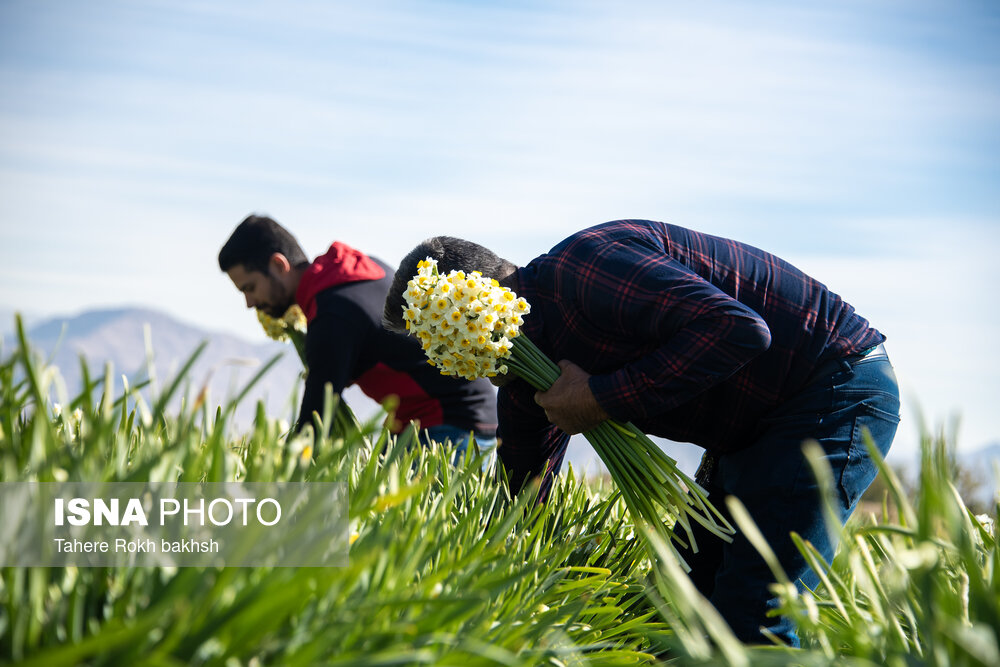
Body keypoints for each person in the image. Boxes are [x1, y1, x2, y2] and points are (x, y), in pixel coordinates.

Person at [383, 219, 900, 646]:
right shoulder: (525, 376)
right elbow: (522, 495)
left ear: (476, 299)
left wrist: (599, 397)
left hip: (831, 385)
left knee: (753, 620)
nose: (449, 361)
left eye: (441, 335)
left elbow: (740, 329)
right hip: (753, 425)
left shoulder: (583, 269)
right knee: (671, 611)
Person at [218, 214, 498, 458]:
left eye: (250, 287)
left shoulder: (333, 313)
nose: (250, 303)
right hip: (440, 419)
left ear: (279, 265)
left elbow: (315, 423)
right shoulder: (354, 272)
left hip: (450, 428)